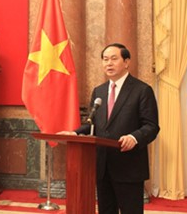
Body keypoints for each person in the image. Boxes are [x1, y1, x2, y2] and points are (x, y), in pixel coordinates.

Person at [59, 43, 160, 214]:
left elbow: (151, 126)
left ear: (126, 62)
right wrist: (74, 133)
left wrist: (134, 138)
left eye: (114, 59)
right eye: (105, 60)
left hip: (128, 166)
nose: (108, 63)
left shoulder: (142, 90)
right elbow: (93, 124)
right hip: (102, 167)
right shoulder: (99, 91)